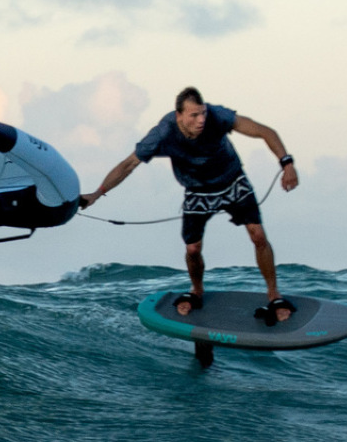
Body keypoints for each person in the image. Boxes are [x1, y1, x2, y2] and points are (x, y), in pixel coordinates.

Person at [80, 86, 299, 322]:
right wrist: (97, 193)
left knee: (258, 236)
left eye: (202, 113)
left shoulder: (218, 116)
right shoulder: (163, 133)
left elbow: (264, 131)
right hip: (197, 191)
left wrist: (286, 163)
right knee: (193, 249)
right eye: (194, 115)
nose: (201, 119)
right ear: (179, 116)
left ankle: (273, 294)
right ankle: (197, 290)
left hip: (232, 181)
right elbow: (128, 165)